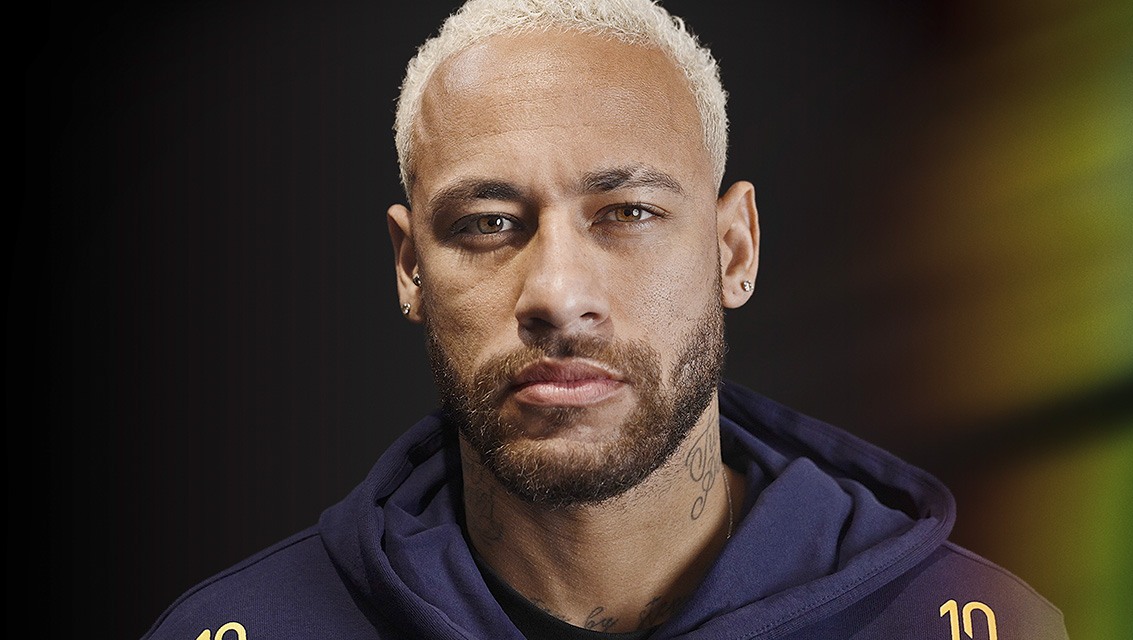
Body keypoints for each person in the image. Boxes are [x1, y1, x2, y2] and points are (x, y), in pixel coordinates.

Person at [143, 1, 1069, 638]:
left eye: (626, 212)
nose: (557, 293)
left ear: (734, 250)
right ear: (410, 267)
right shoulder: (242, 629)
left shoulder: (980, 624)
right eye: (488, 223)